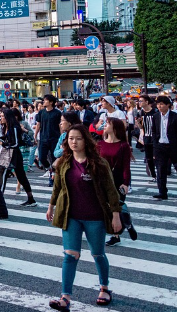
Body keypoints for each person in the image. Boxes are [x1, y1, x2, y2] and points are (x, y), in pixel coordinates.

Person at [46, 124, 122, 310]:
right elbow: (58, 187)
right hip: (71, 216)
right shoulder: (64, 162)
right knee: (70, 255)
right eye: (71, 138)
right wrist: (51, 206)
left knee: (98, 254)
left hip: (95, 217)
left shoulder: (99, 163)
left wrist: (116, 215)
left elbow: (111, 191)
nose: (74, 142)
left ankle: (104, 287)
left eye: (78, 138)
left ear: (86, 141)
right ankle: (65, 297)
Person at [99, 118, 136, 246]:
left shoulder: (123, 145)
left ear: (115, 128)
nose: (105, 125)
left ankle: (119, 232)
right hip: (103, 180)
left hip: (118, 180)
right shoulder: (100, 144)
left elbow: (126, 167)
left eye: (108, 123)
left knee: (116, 206)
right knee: (106, 207)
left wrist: (126, 183)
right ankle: (125, 224)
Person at [0, 109, 36, 206]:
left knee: (7, 174)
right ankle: (31, 199)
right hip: (10, 153)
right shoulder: (7, 127)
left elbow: (15, 143)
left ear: (7, 117)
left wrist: (3, 143)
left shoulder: (14, 127)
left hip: (14, 154)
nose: (1, 118)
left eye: (2, 116)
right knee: (18, 176)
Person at [151, 95, 177, 200]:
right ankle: (162, 192)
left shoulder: (175, 116)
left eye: (161, 104)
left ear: (168, 105)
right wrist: (155, 144)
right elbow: (154, 131)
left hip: (173, 146)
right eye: (158, 104)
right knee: (160, 170)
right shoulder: (156, 116)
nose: (159, 106)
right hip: (160, 146)